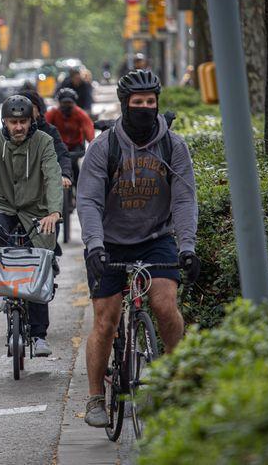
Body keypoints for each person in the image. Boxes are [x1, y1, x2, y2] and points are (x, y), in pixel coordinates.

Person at [76, 69, 200, 427]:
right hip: (109, 243)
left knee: (165, 306)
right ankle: (96, 398)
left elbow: (184, 201)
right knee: (106, 320)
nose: (145, 108)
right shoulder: (104, 147)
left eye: (150, 102)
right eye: (137, 102)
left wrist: (187, 246)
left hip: (155, 239)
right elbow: (88, 202)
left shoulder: (173, 146)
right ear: (124, 105)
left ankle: (176, 382)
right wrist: (95, 246)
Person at [0, 95, 63, 357]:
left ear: (32, 121)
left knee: (38, 264)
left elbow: (53, 176)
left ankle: (39, 334)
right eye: (13, 122)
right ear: (4, 122)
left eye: (23, 121)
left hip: (36, 209)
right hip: (3, 204)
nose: (19, 127)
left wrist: (54, 212)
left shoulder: (44, 142)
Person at [18, 89, 74, 193]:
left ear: (38, 111)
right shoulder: (3, 136)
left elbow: (61, 153)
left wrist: (64, 174)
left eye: (30, 107)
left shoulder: (49, 131)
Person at [46, 88, 95, 186]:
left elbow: (89, 129)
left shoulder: (80, 114)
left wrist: (94, 146)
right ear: (59, 103)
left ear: (74, 103)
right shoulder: (53, 113)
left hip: (75, 146)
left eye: (69, 103)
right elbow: (44, 128)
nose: (66, 106)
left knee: (75, 167)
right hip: (59, 145)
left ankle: (78, 188)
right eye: (64, 103)